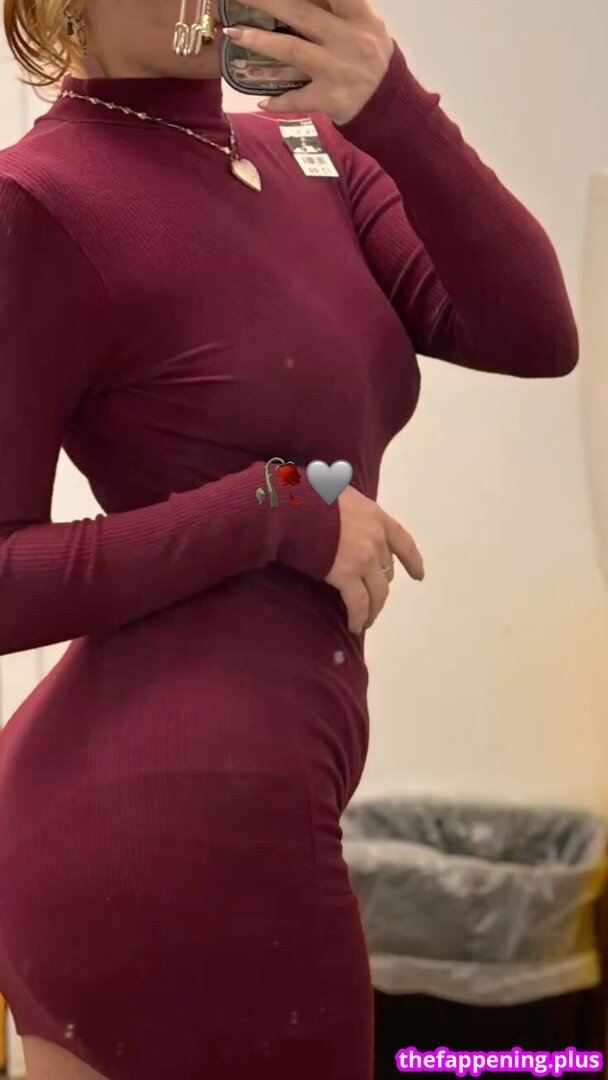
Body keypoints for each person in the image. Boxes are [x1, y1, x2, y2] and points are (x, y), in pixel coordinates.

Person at [0, 0, 578, 1076]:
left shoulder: (313, 152)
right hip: (163, 828)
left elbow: (534, 333)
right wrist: (274, 509)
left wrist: (390, 102)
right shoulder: (39, 198)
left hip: (237, 797)